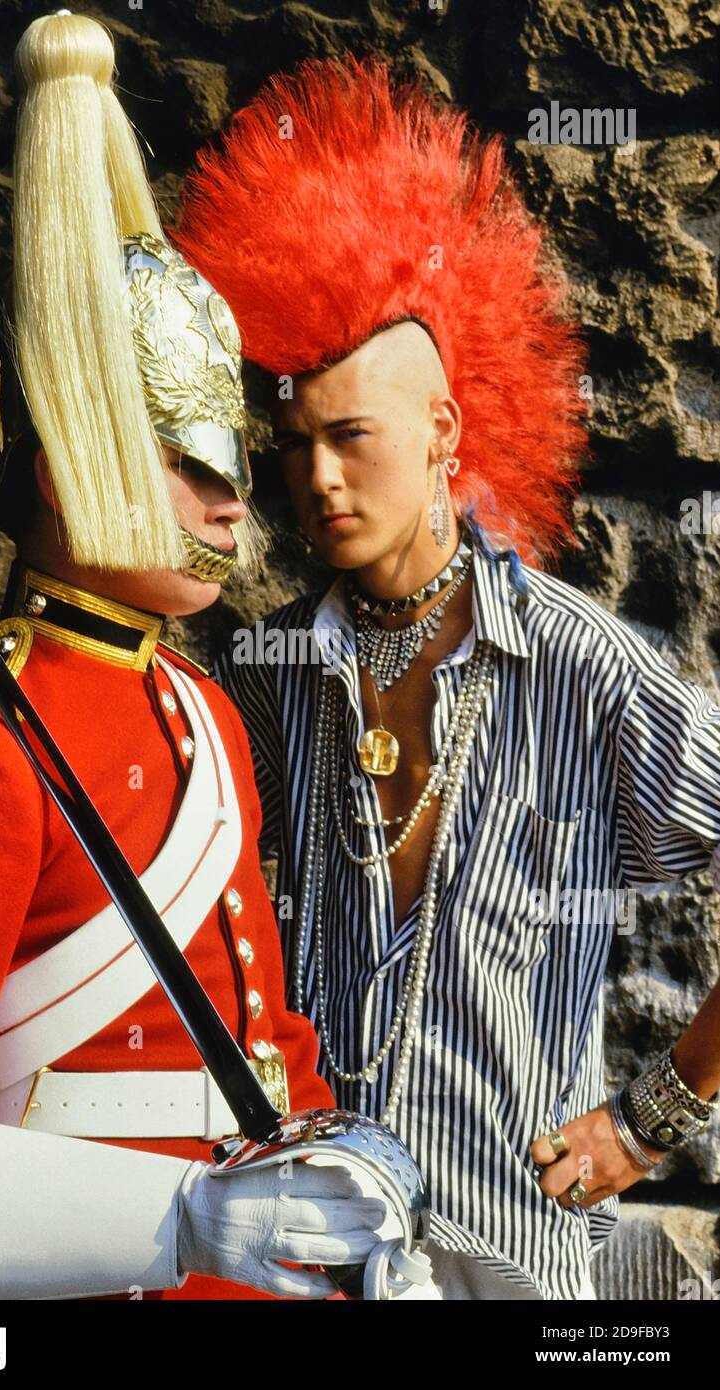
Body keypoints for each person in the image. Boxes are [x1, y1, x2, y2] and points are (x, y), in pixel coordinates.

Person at [0, 14, 390, 1303]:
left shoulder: (201, 710)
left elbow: (261, 1042)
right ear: (65, 463)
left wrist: (338, 1169)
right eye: (194, 465)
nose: (233, 507)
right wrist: (175, 1218)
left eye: (234, 470)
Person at [173, 56, 720, 1300]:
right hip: (311, 1263)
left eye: (351, 437)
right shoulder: (268, 675)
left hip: (513, 1262)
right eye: (295, 441)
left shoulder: (579, 665)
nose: (316, 480)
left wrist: (651, 1116)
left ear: (444, 434)